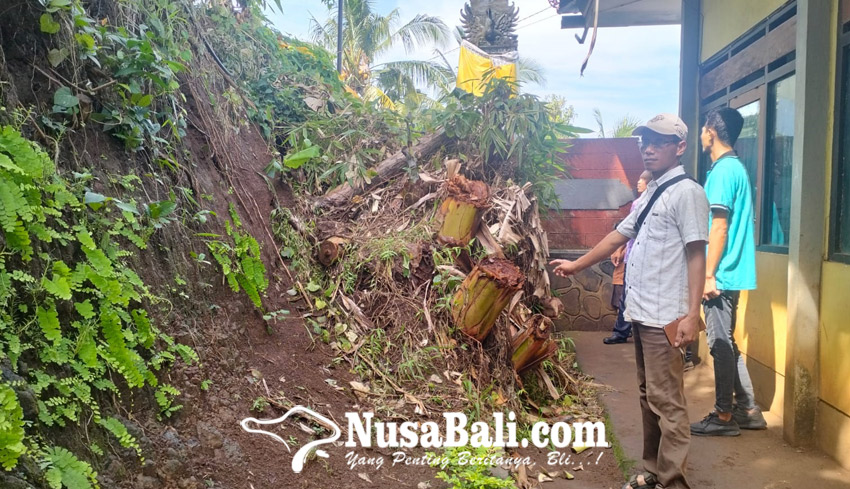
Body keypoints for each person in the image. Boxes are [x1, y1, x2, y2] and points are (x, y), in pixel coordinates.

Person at [550, 113, 708, 489]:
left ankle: (673, 482)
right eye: (644, 141)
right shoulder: (653, 191)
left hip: (665, 315)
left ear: (679, 147)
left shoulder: (688, 193)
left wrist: (691, 313)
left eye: (658, 142)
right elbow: (617, 236)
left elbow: (697, 254)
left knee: (668, 402)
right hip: (642, 311)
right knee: (648, 396)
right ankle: (653, 471)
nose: (648, 148)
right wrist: (576, 265)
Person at [690, 107, 767, 437]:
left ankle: (723, 416)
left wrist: (708, 275)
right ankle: (747, 409)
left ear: (711, 131)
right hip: (729, 271)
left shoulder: (722, 172)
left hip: (720, 273)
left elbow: (718, 226)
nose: (702, 134)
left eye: (704, 128)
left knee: (719, 343)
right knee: (727, 342)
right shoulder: (736, 168)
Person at [605, 171, 652, 345]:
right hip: (631, 256)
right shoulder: (637, 203)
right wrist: (622, 249)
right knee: (626, 296)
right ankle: (621, 331)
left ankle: (625, 332)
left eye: (642, 179)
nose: (638, 182)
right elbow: (628, 231)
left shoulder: (648, 203)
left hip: (645, 259)